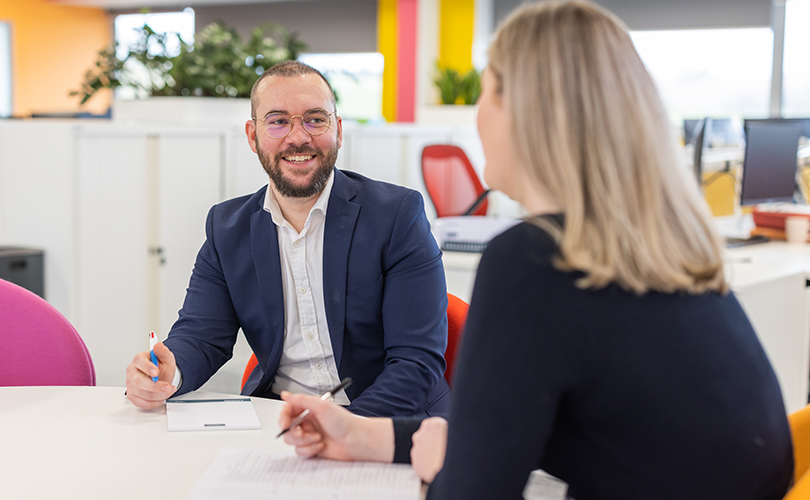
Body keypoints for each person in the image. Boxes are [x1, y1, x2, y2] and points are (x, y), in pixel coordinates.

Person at [278, 2, 794, 498]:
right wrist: (359, 435)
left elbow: (471, 491)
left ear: (527, 112)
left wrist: (443, 470)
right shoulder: (665, 249)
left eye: (487, 91)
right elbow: (528, 432)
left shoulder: (534, 261)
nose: (478, 114)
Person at [124, 60, 451, 418]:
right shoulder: (228, 229)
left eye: (315, 119)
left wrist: (342, 426)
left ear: (338, 130)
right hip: (280, 424)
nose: (298, 137)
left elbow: (415, 363)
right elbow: (202, 335)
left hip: (389, 423)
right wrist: (169, 372)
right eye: (278, 121)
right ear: (253, 136)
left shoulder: (396, 216)